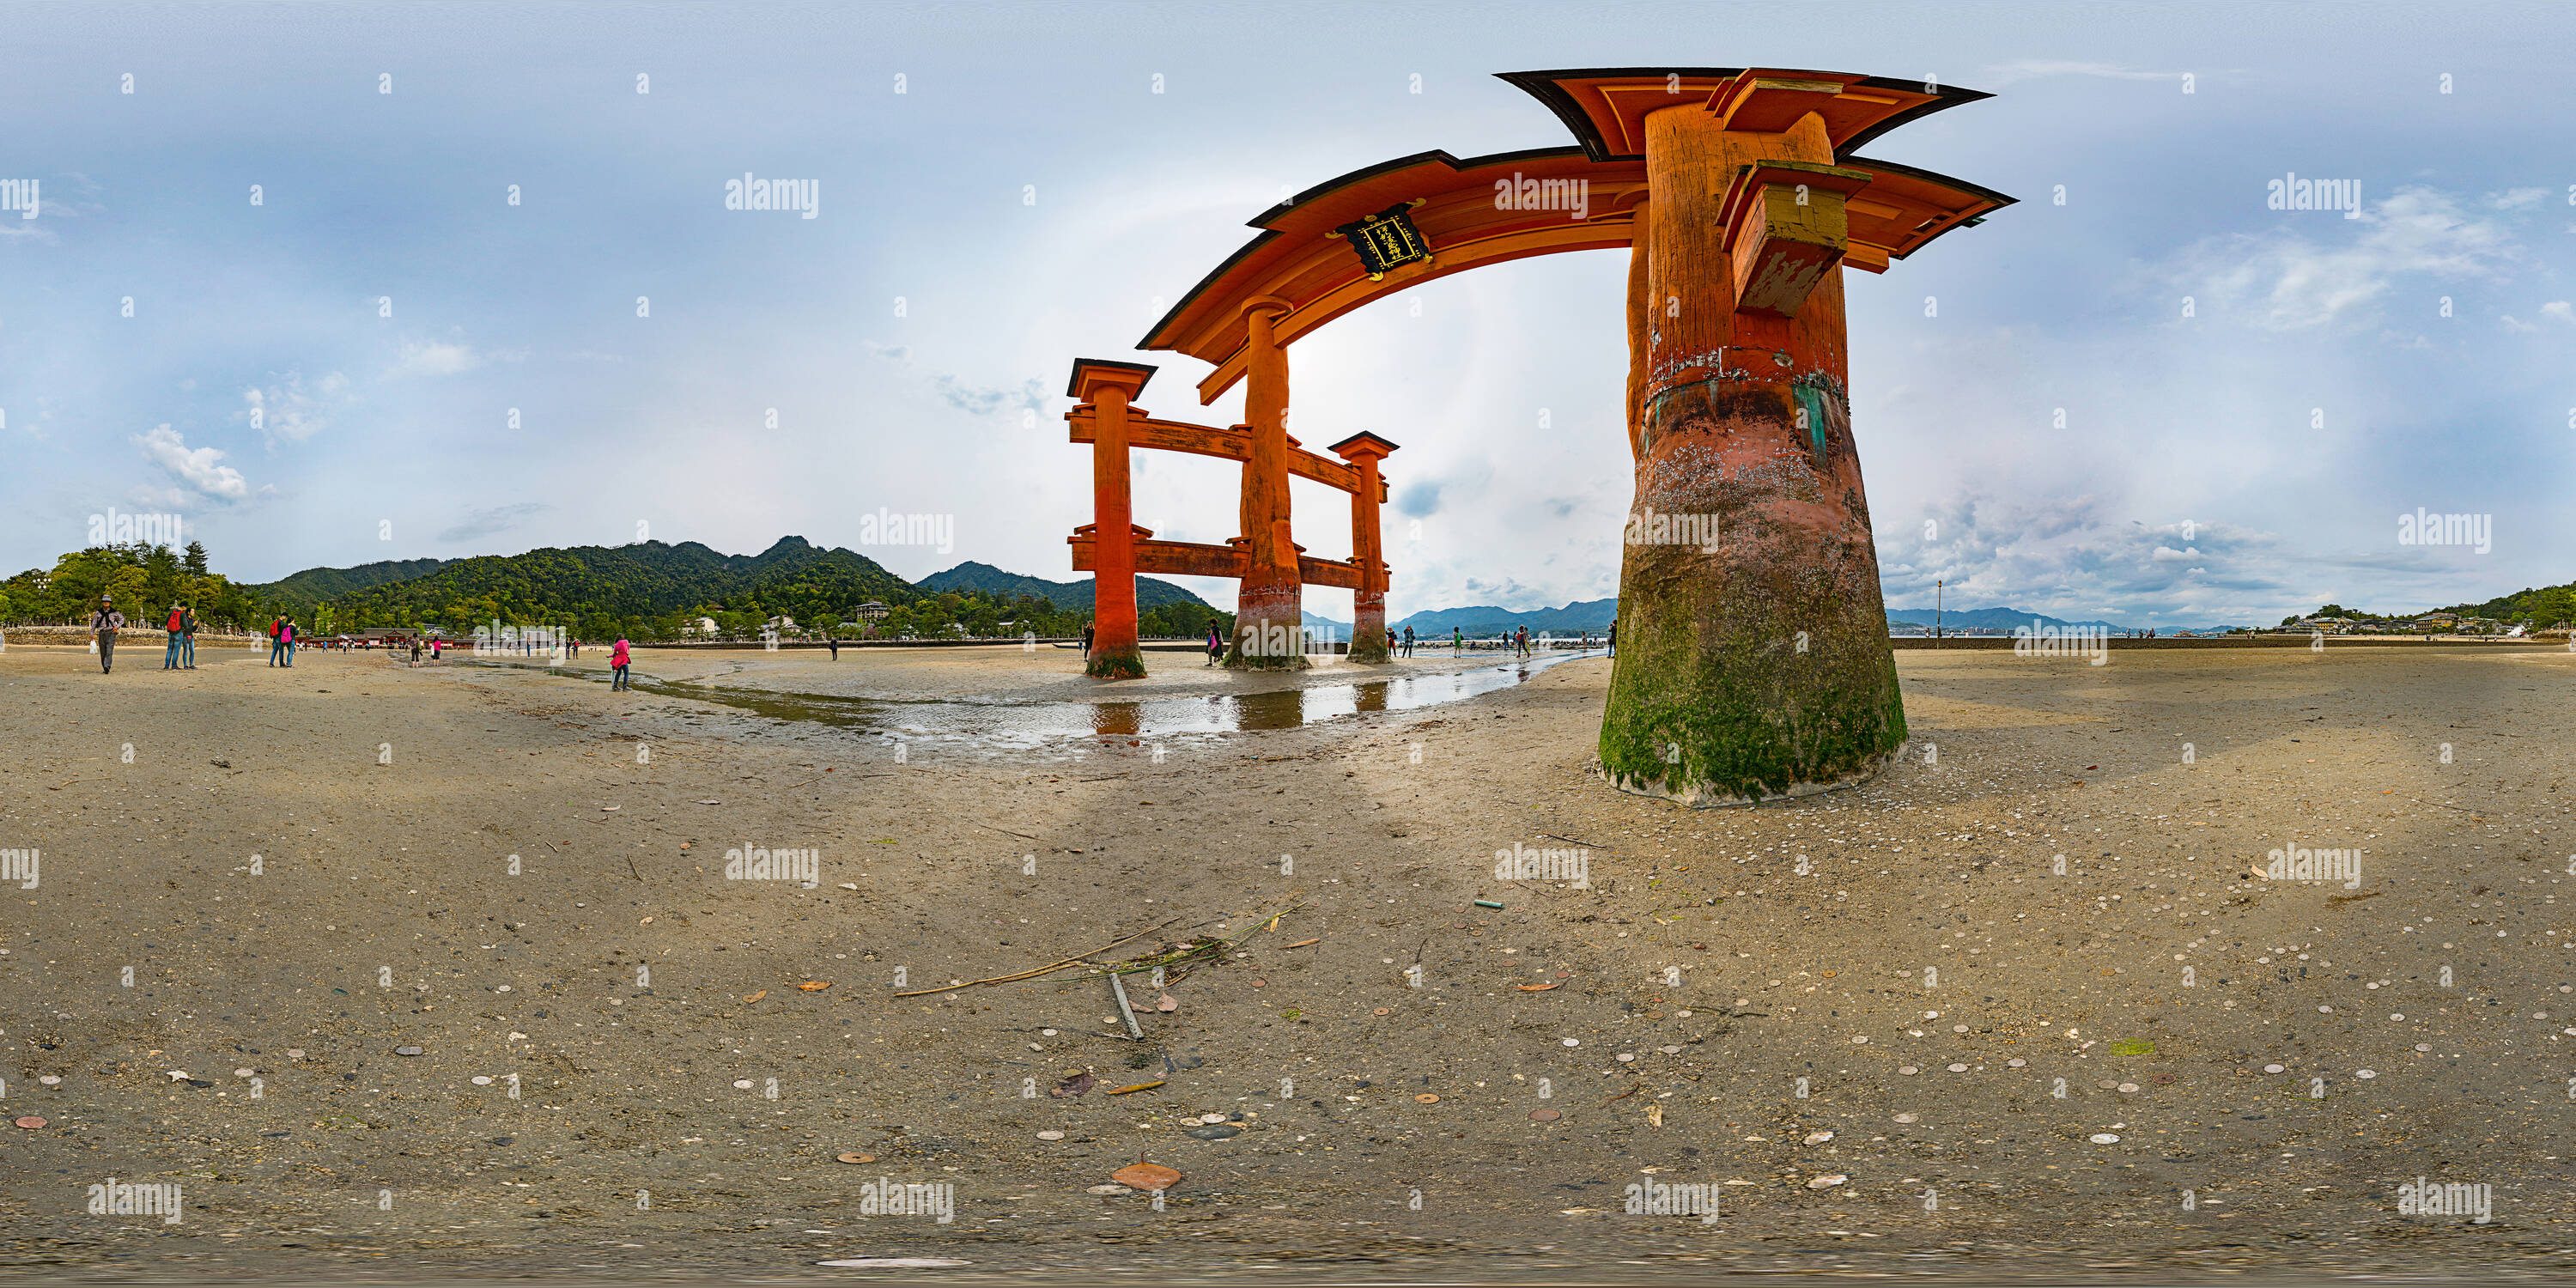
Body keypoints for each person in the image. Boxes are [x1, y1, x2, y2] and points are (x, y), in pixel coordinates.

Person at [91, 595, 125, 673]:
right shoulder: (98, 612)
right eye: (104, 602)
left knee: (109, 651)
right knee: (103, 652)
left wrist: (117, 627)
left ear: (109, 603)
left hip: (111, 633)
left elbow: (122, 619)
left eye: (107, 602)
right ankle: (105, 666)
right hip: (102, 633)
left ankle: (107, 666)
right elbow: (94, 623)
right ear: (103, 603)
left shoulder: (114, 612)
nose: (106, 603)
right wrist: (92, 633)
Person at [162, 602, 186, 670]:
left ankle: (166, 666)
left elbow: (166, 621)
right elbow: (185, 625)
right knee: (176, 650)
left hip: (171, 633)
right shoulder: (182, 614)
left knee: (169, 650)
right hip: (178, 633)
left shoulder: (172, 612)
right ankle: (174, 665)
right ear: (184, 607)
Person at [179, 602, 197, 668]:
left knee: (192, 651)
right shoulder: (185, 619)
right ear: (189, 612)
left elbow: (192, 630)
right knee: (186, 652)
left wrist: (196, 626)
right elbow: (187, 628)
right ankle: (185, 665)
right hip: (185, 637)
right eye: (192, 611)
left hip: (191, 637)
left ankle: (191, 664)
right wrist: (193, 625)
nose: (193, 613)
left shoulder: (192, 619)